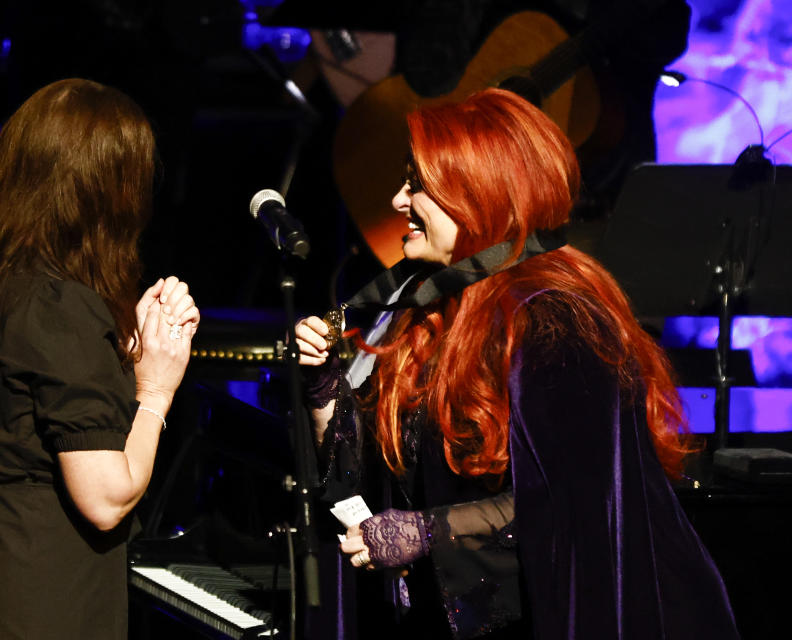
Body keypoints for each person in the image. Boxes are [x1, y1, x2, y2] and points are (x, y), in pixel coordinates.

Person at [295, 88, 739, 638]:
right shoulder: (421, 303)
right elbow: (363, 481)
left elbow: (576, 511)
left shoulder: (557, 324)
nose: (397, 201)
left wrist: (428, 534)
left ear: (479, 195)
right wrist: (323, 384)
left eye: (419, 186)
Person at [0, 78, 199, 638]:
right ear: (106, 190)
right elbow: (106, 497)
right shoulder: (59, 303)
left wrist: (125, 351)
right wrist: (156, 388)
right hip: (35, 603)